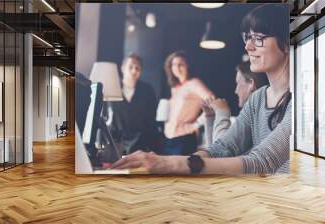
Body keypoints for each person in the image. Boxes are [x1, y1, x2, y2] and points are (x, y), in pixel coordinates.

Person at [111, 5, 291, 175]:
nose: (248, 46)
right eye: (247, 38)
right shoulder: (258, 98)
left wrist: (170, 163)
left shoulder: (299, 102)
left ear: (286, 42)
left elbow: (262, 161)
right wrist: (162, 160)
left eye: (258, 38)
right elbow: (223, 148)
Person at [202, 61, 269, 146]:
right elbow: (212, 154)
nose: (236, 91)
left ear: (251, 84)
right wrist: (211, 118)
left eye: (238, 83)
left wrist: (222, 112)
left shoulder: (256, 120)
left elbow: (220, 154)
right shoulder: (250, 116)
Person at [162, 51, 215, 155]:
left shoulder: (194, 83)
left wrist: (197, 124)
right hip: (168, 139)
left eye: (180, 64)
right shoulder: (175, 87)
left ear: (188, 66)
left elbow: (214, 103)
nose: (176, 68)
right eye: (173, 65)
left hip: (184, 139)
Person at [109, 54, 160, 155]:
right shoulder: (112, 87)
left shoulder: (147, 90)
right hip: (116, 144)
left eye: (138, 68)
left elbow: (152, 120)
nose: (134, 71)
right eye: (131, 67)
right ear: (123, 68)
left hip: (141, 146)